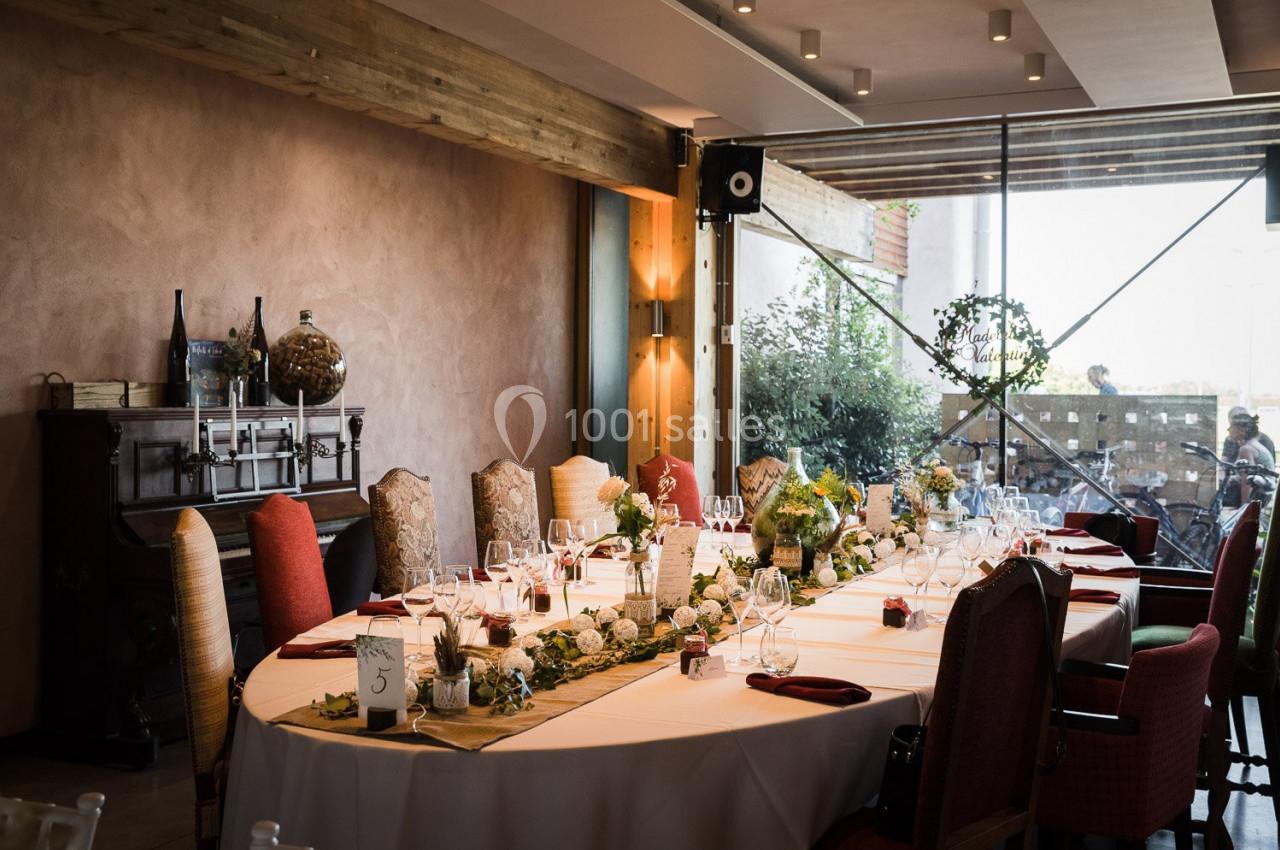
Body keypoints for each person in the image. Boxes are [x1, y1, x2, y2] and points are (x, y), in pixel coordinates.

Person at [1225, 411, 1275, 506]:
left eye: (1231, 427)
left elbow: (1247, 483)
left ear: (1242, 430)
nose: (1228, 429)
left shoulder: (1246, 449)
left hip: (1258, 498)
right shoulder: (1252, 445)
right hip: (1262, 496)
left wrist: (1244, 508)